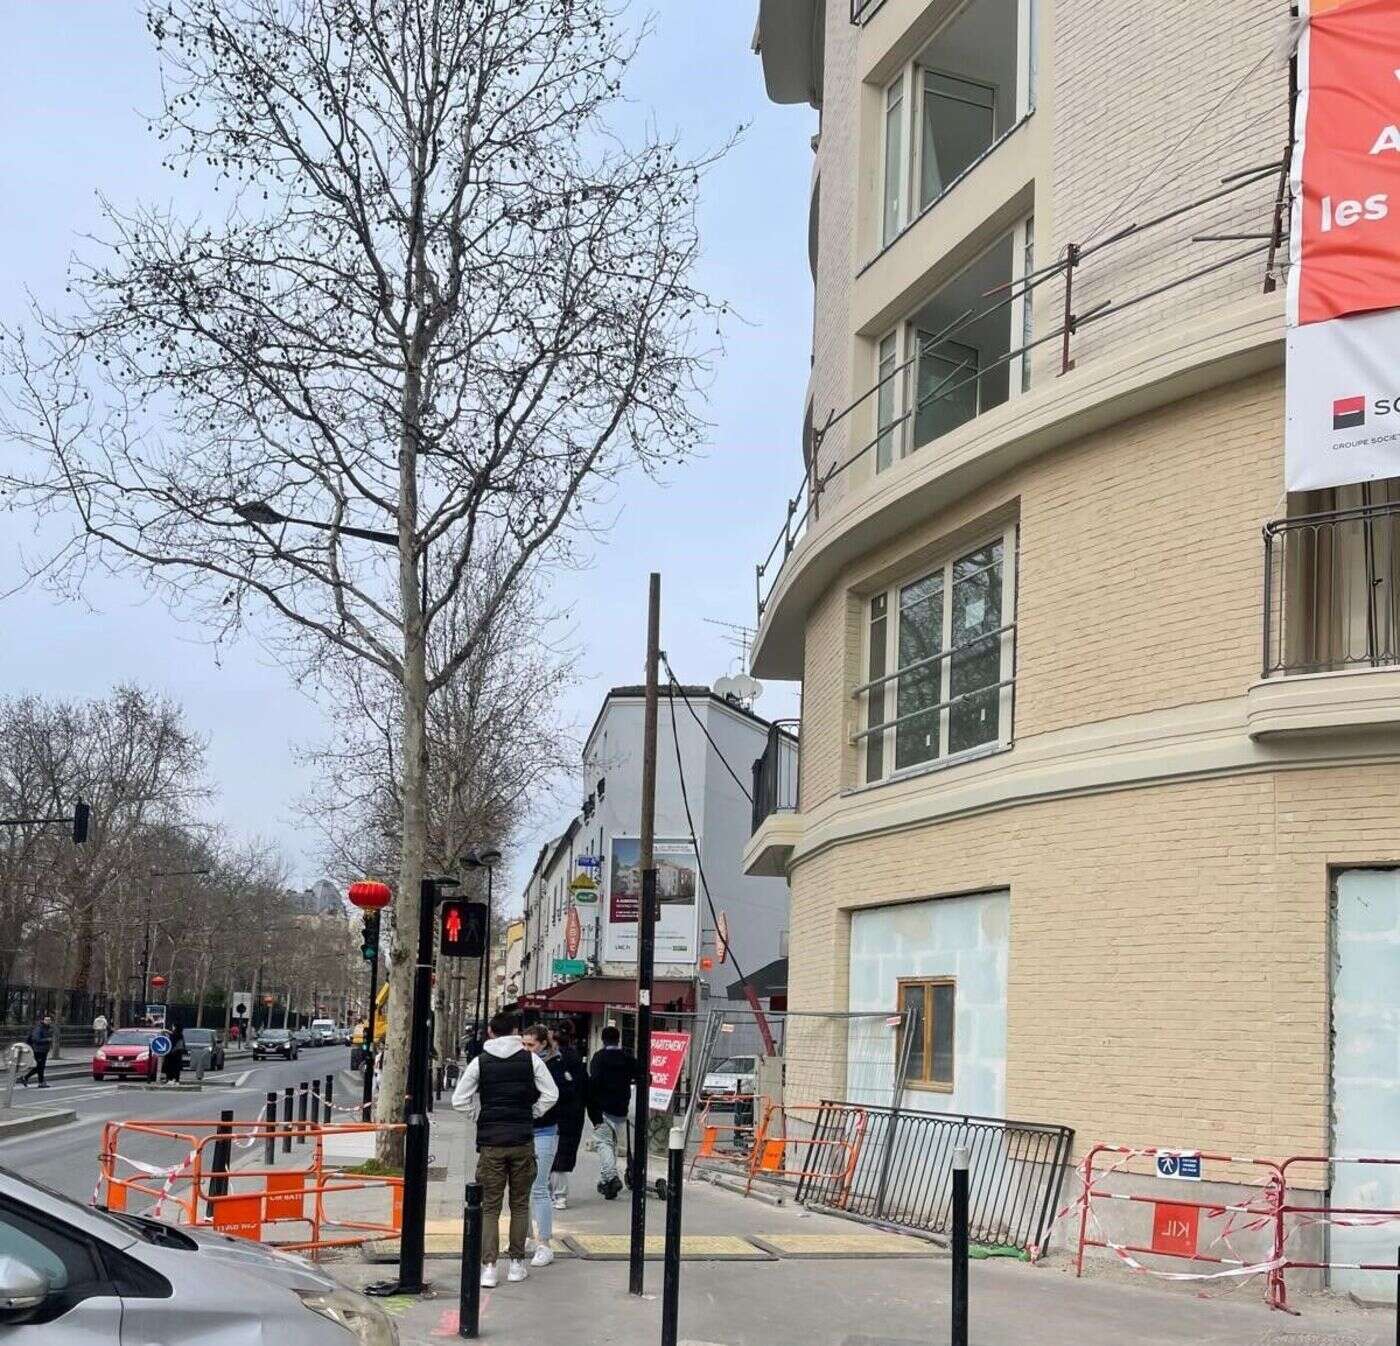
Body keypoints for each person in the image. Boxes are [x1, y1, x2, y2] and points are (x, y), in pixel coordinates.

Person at [453, 1011, 558, 1288]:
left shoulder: (480, 1062)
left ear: (490, 1032)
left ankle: (489, 1267)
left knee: (490, 1207)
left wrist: (479, 1116)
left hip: (491, 1142)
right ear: (515, 1031)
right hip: (522, 1139)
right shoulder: (531, 1060)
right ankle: (515, 1264)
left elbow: (459, 1099)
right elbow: (552, 1093)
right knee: (520, 1204)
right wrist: (533, 1112)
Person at [521, 1023, 573, 1267]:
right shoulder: (523, 1062)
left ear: (543, 1044)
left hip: (544, 1129)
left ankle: (544, 1243)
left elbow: (561, 1095)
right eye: (524, 1043)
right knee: (521, 1187)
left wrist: (535, 1111)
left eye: (531, 1044)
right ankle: (528, 1237)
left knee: (538, 1188)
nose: (526, 1049)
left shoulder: (554, 1065)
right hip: (524, 1129)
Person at [588, 1023, 640, 1200]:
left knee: (604, 1144)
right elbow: (643, 1075)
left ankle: (611, 1176)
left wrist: (592, 1109)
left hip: (602, 1108)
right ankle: (605, 1183)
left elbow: (593, 1083)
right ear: (618, 1039)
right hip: (621, 1109)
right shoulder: (627, 1058)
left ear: (602, 1040)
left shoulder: (599, 1058)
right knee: (612, 1144)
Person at [548, 1024, 587, 1211]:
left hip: (554, 1114)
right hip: (574, 1113)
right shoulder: (577, 1059)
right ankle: (559, 1195)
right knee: (563, 1155)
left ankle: (552, 1193)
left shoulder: (553, 1061)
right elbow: (586, 1087)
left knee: (551, 1154)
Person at [19, 1014, 53, 1088]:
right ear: (42, 1020)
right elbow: (36, 1039)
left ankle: (26, 1078)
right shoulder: (39, 1028)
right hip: (37, 1050)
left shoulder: (47, 1028)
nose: (48, 1021)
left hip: (44, 1050)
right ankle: (39, 1082)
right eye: (46, 1020)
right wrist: (47, 1040)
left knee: (40, 1067)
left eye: (49, 1020)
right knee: (41, 1067)